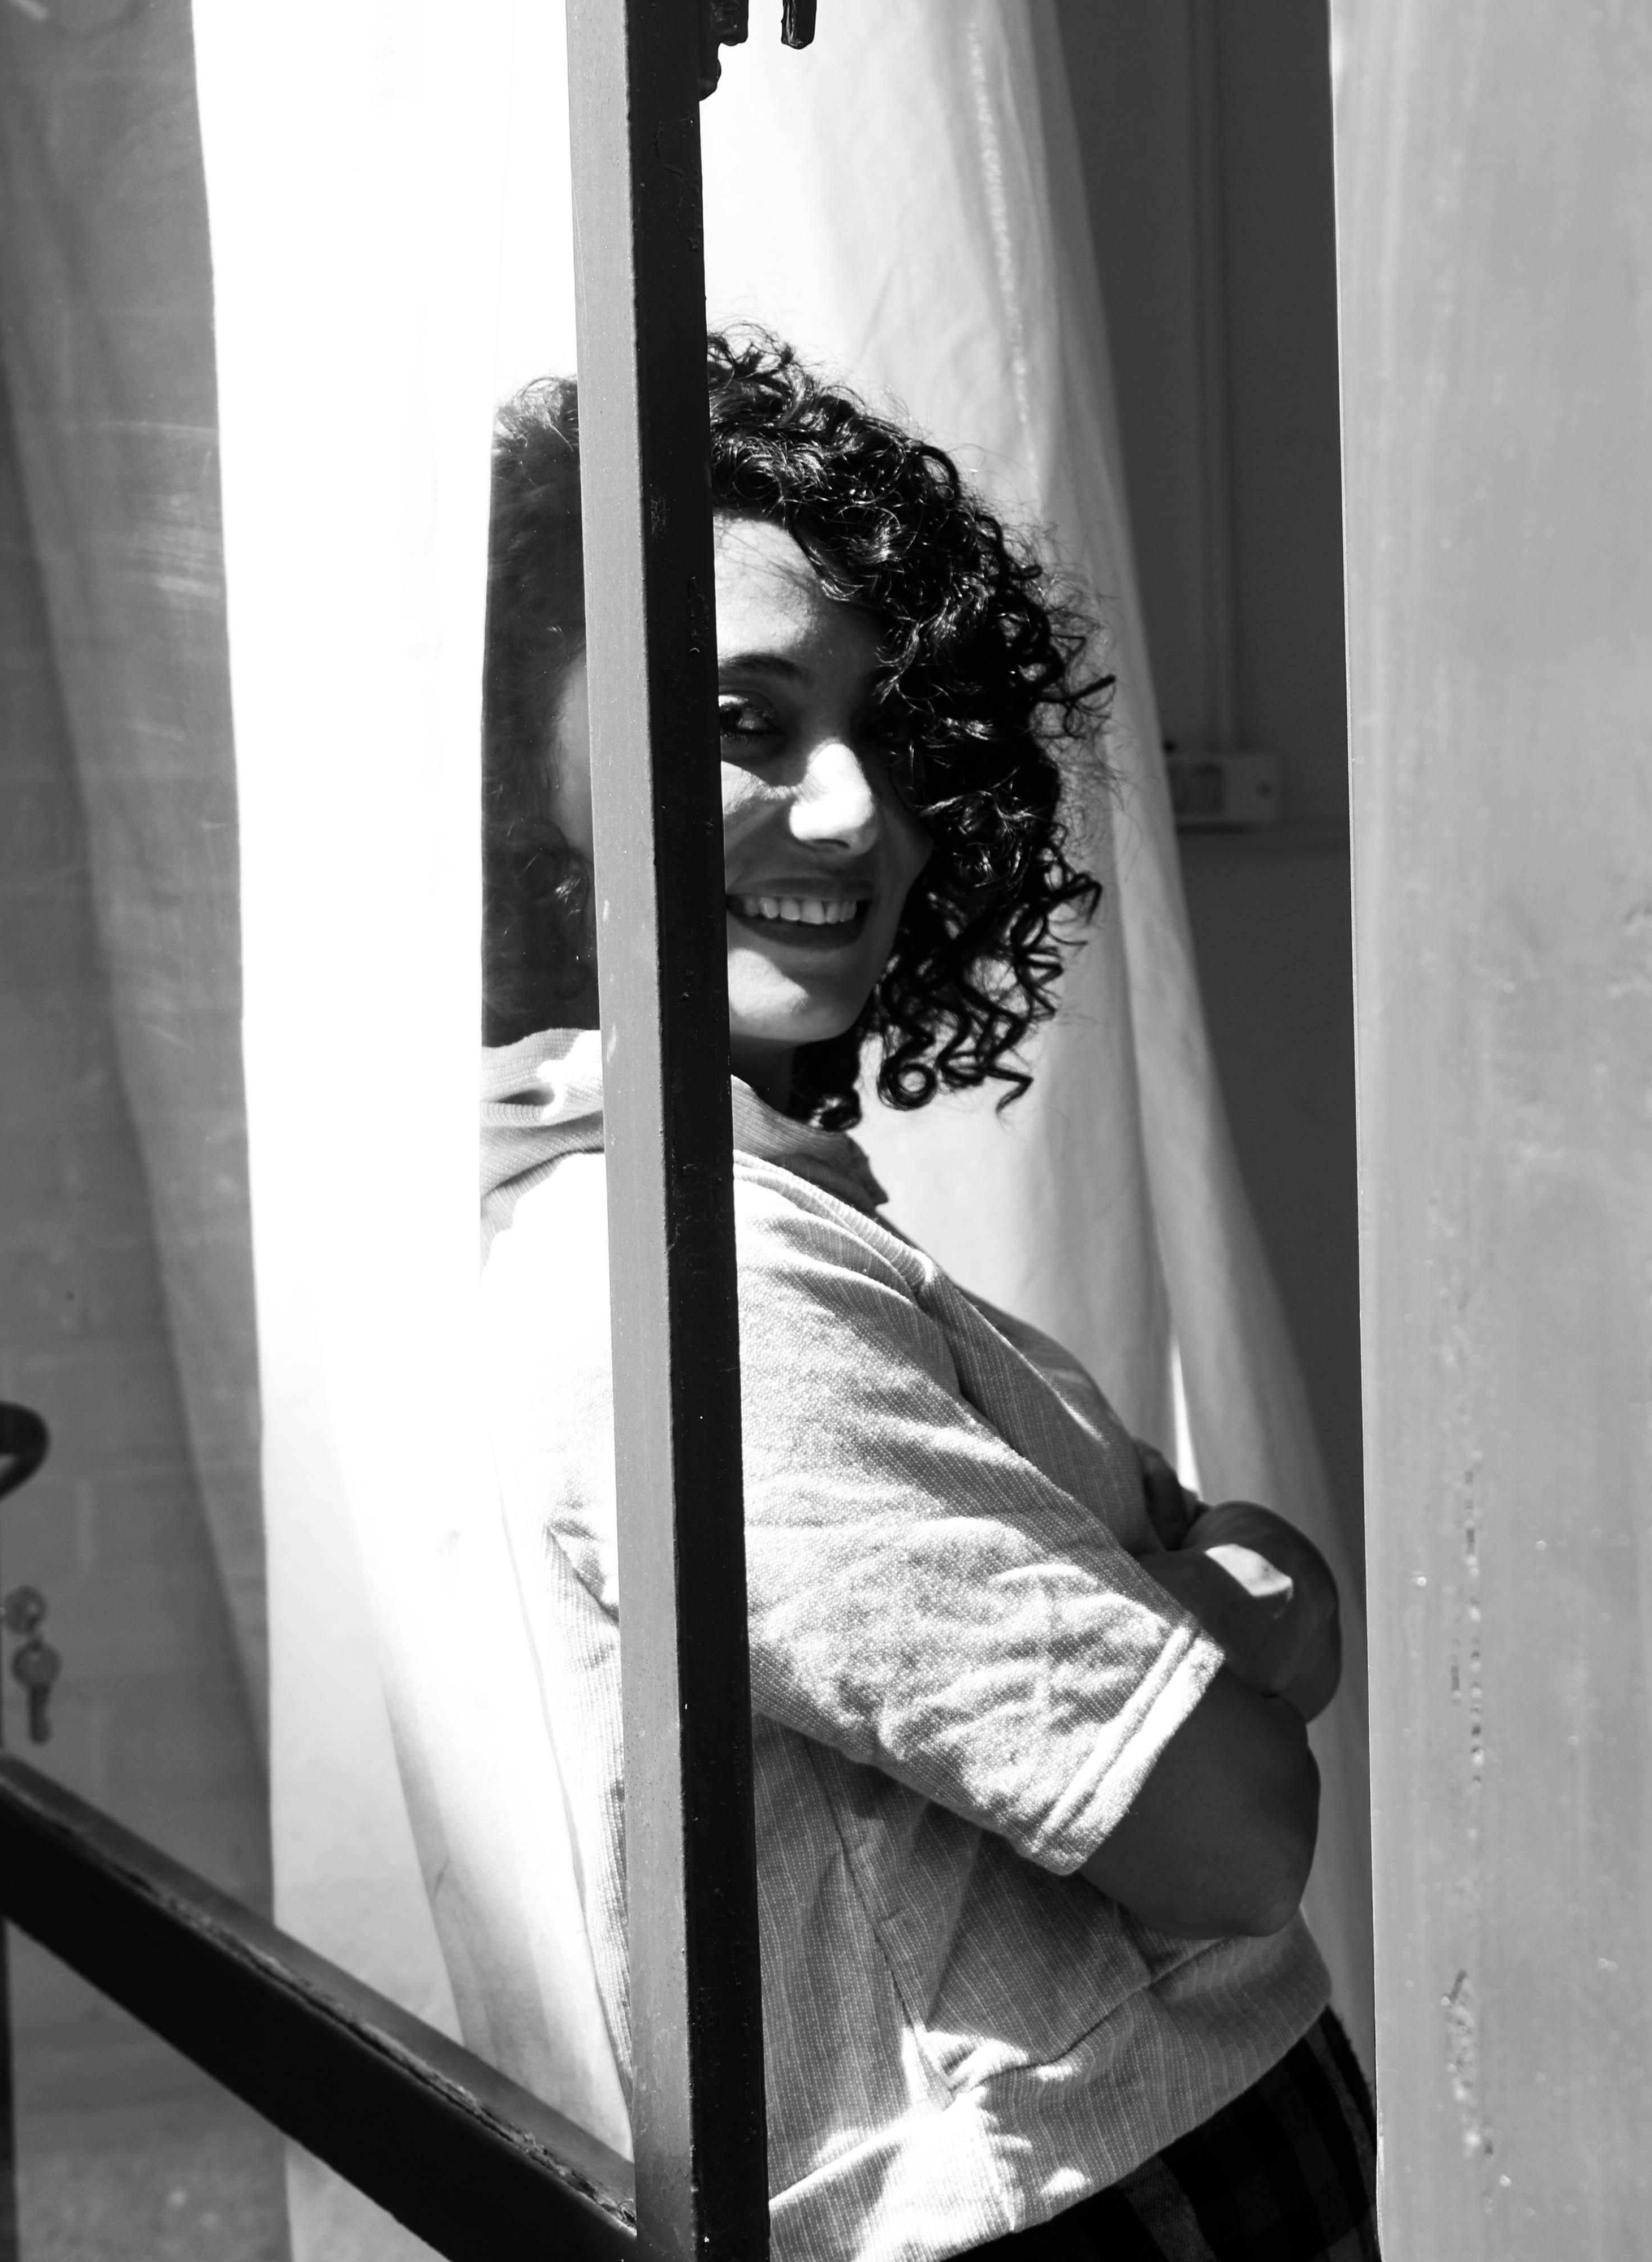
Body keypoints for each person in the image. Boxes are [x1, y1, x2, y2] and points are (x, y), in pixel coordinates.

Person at [457, 328, 1374, 2262]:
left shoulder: (758, 1202)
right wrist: (1202, 1602)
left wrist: (1201, 1607)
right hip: (1094, 2210)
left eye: (886, 727)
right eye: (739, 719)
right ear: (528, 775)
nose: (854, 813)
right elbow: (1229, 1820)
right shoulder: (687, 1279)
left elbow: (1260, 1617)